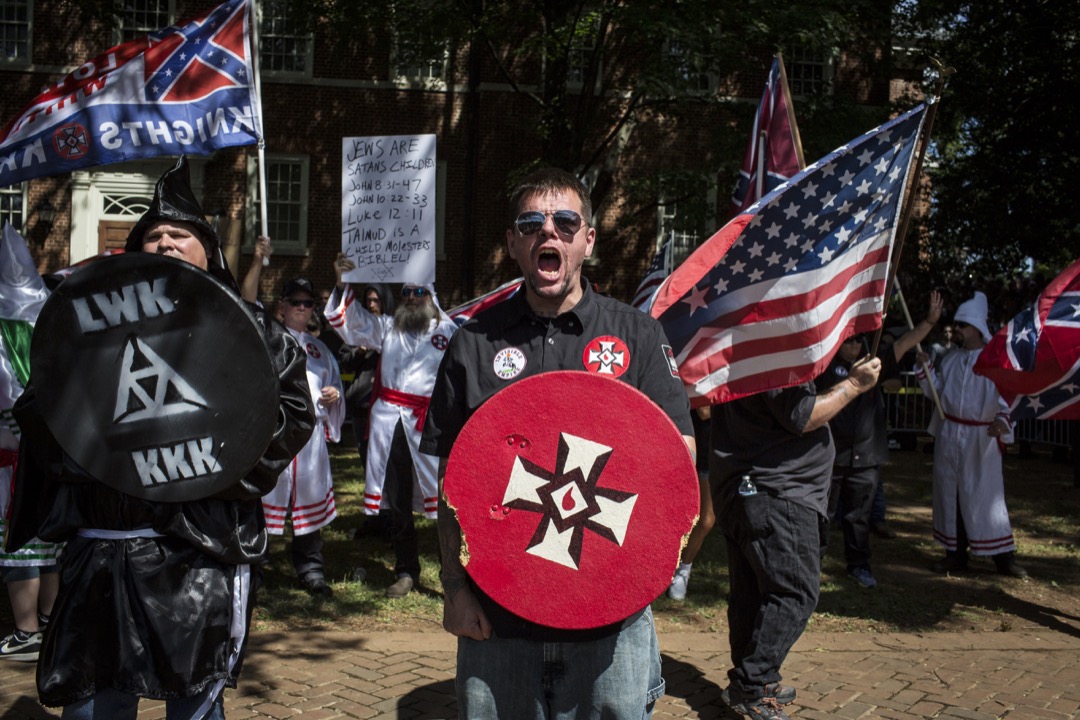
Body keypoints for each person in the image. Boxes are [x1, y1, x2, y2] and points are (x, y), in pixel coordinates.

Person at [7, 156, 315, 718]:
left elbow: (291, 414)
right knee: (93, 701)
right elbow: (43, 414)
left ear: (209, 251)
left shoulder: (253, 331)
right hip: (101, 551)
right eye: (153, 235)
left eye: (181, 234)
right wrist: (103, 458)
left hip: (196, 553)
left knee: (194, 704)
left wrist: (207, 468)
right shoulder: (83, 332)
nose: (166, 243)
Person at [419, 167, 695, 718]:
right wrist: (454, 587)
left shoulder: (637, 337)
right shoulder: (474, 344)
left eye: (566, 222)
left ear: (588, 240)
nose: (550, 233)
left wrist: (644, 569)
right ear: (513, 244)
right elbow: (455, 484)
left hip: (611, 621)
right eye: (531, 223)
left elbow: (676, 464)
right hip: (498, 618)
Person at [712, 354, 881, 719]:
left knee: (754, 591)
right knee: (795, 591)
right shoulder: (775, 351)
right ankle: (753, 684)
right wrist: (854, 384)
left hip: (746, 486)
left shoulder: (741, 346)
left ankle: (751, 678)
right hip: (778, 490)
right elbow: (802, 416)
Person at [325, 261, 457, 598]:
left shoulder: (450, 332)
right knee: (398, 498)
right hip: (392, 423)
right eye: (407, 294)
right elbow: (352, 324)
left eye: (419, 293)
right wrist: (343, 283)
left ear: (431, 296)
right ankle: (406, 569)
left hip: (430, 422)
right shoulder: (387, 327)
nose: (412, 299)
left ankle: (451, 573)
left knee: (444, 499)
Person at [816, 292, 944, 589]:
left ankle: (858, 566)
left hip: (866, 455)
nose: (855, 346)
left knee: (858, 517)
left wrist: (929, 322)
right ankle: (815, 564)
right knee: (823, 514)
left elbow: (904, 344)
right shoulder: (823, 366)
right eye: (849, 341)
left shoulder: (873, 362)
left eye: (859, 341)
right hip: (829, 454)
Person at [916, 291, 1027, 577]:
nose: (957, 331)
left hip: (982, 439)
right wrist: (925, 368)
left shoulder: (995, 363)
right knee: (950, 494)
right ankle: (954, 554)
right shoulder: (951, 360)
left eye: (962, 326)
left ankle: (1003, 558)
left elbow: (1008, 399)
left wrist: (1003, 420)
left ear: (976, 328)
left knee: (985, 496)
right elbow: (938, 395)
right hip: (950, 434)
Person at [262, 278, 346, 597]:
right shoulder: (267, 340)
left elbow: (335, 385)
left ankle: (311, 569)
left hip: (310, 440)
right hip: (274, 434)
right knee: (263, 498)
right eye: (295, 302)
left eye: (307, 303)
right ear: (281, 306)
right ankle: (254, 566)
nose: (301, 307)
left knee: (309, 499)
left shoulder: (320, 349)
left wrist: (335, 395)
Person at [0, 233, 60, 663]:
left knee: (14, 539)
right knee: (48, 540)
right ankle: (51, 622)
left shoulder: (3, 326)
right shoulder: (51, 318)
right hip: (51, 444)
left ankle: (26, 630)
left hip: (11, 448)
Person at [668, 405, 716, 600]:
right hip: (689, 453)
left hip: (713, 455)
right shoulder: (696, 376)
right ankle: (664, 568)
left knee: (706, 520)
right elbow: (704, 410)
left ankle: (683, 569)